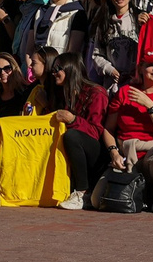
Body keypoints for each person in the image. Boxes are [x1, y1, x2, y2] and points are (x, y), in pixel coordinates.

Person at [32, 52, 107, 211]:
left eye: (58, 68)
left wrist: (73, 120)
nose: (54, 73)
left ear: (71, 69)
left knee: (72, 136)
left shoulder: (96, 92)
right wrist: (46, 106)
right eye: (53, 69)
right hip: (76, 151)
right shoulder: (61, 92)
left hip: (98, 153)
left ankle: (82, 193)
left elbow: (96, 132)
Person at [101, 52, 153, 205]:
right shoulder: (125, 92)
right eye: (151, 65)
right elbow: (108, 129)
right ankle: (140, 195)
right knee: (99, 201)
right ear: (141, 68)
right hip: (127, 153)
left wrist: (149, 105)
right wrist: (114, 153)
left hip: (152, 154)